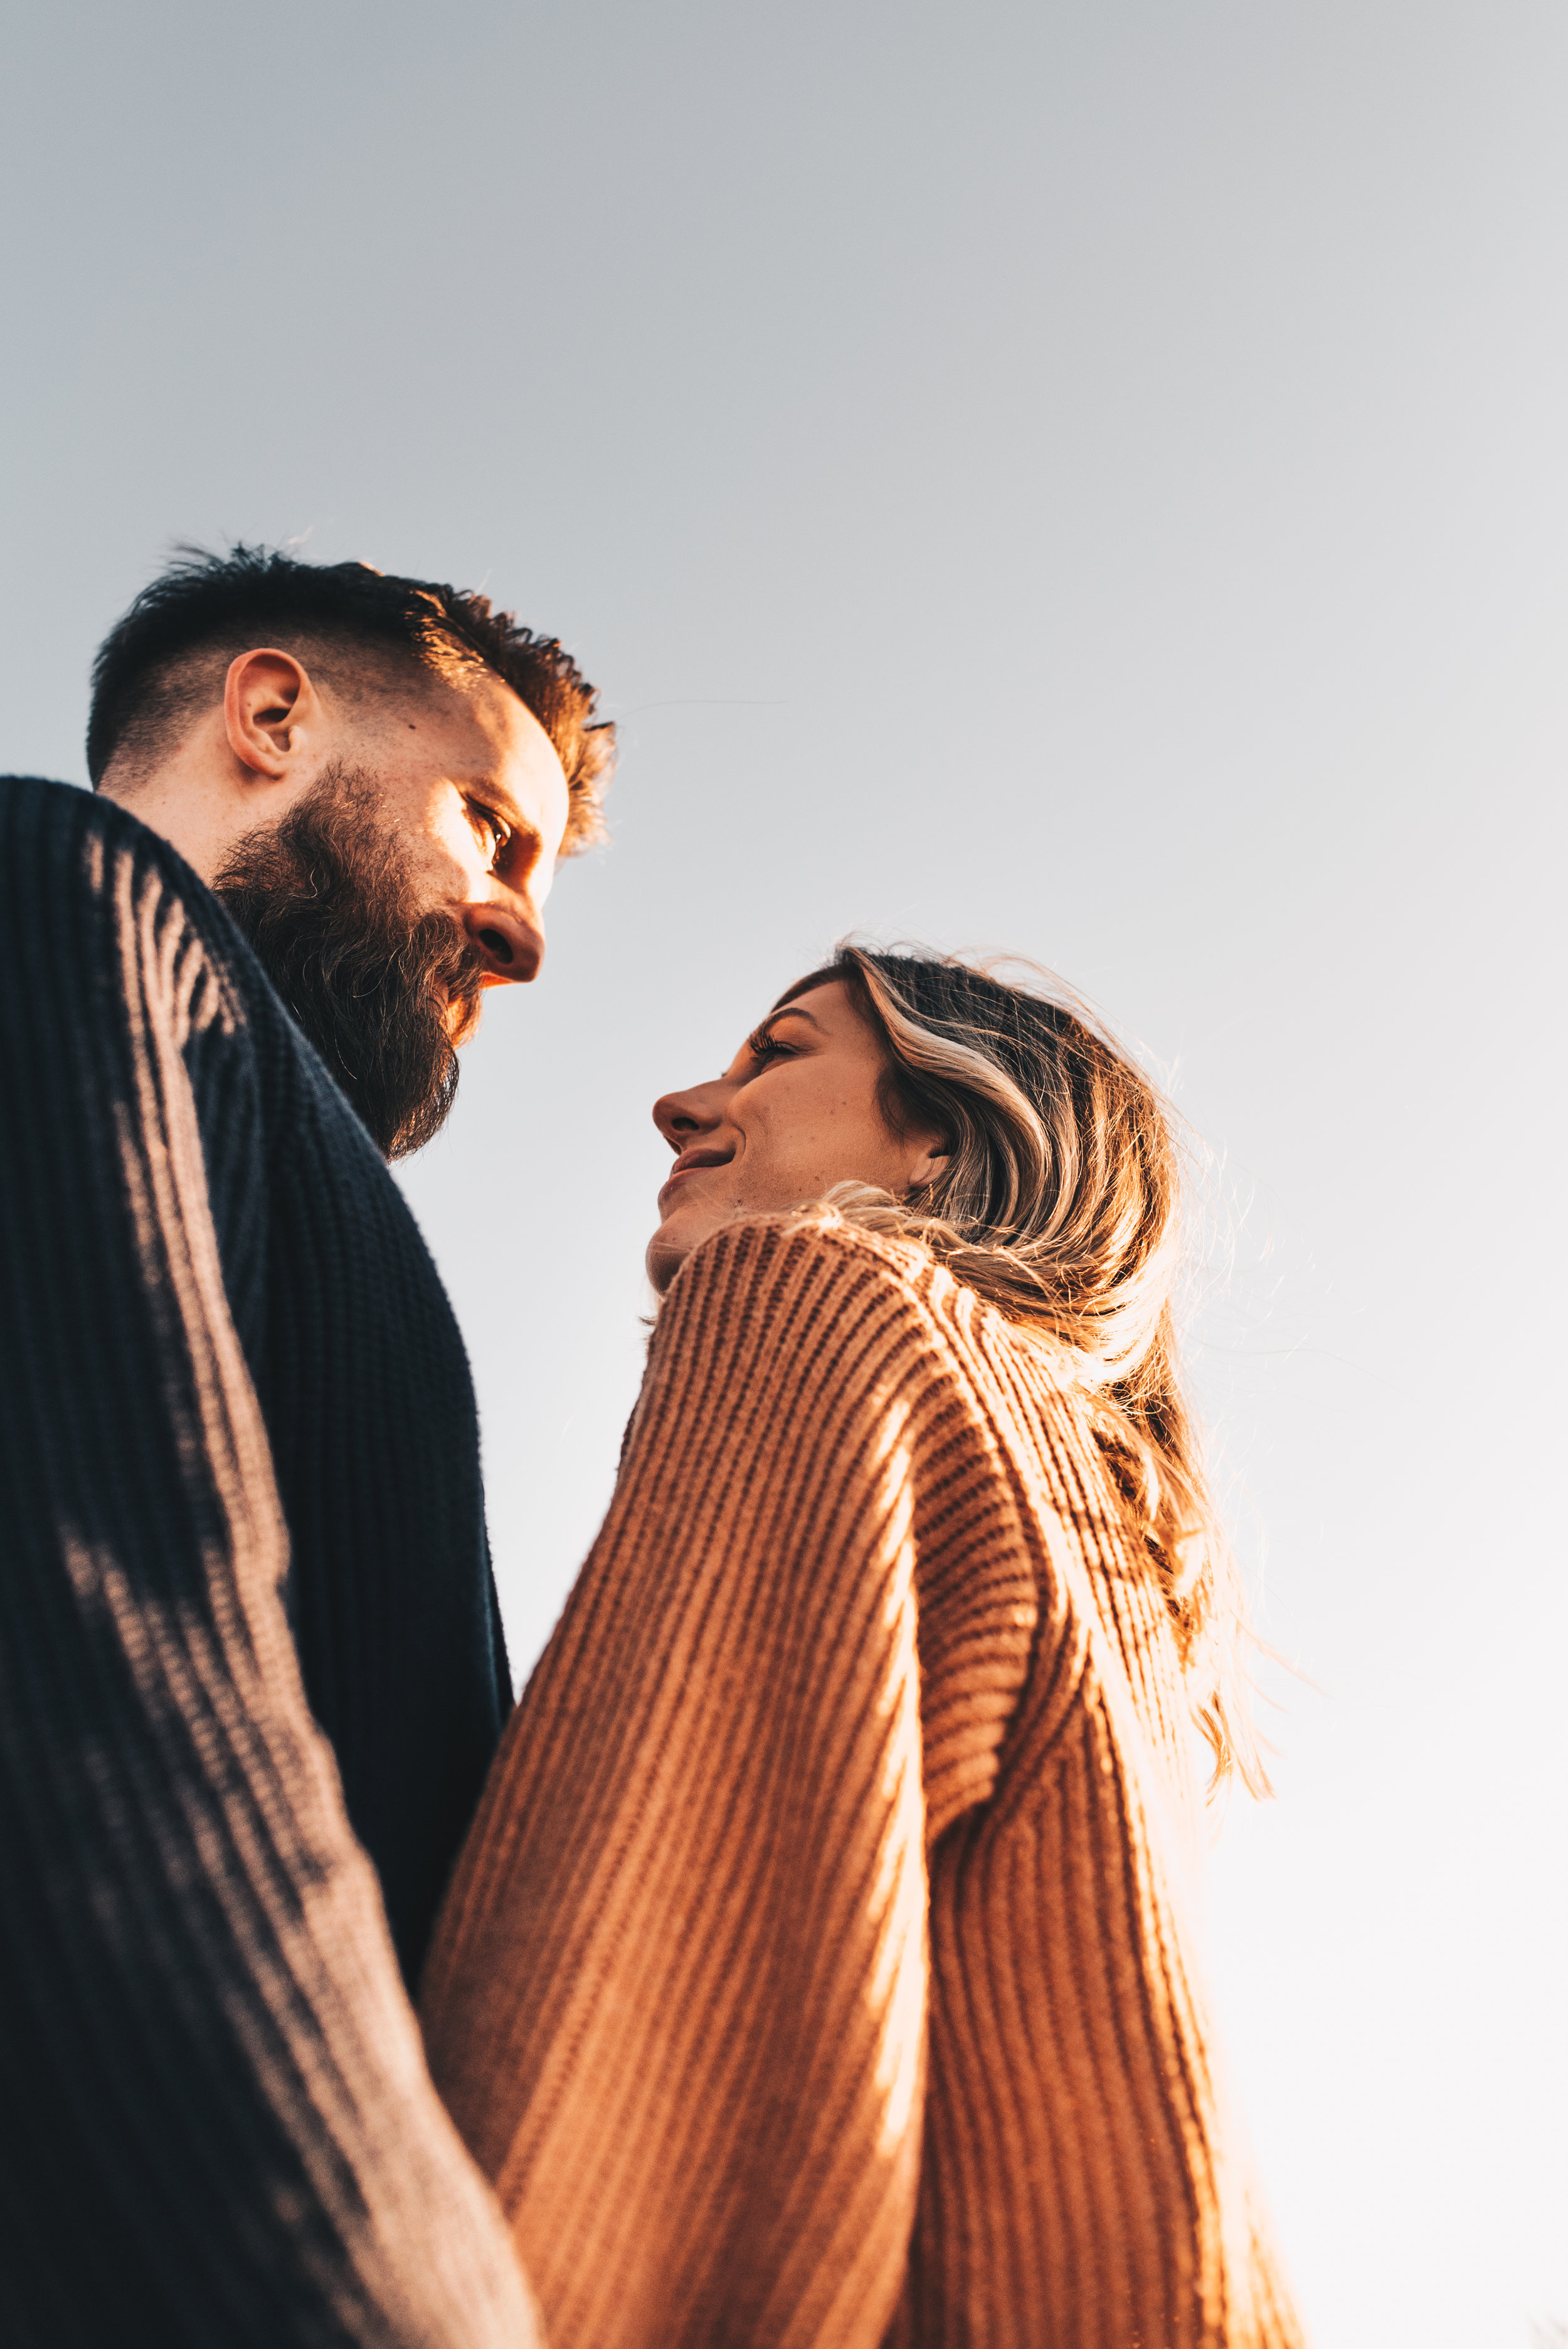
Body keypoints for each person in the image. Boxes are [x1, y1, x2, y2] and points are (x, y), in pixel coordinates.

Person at [420, 945, 1306, 2349]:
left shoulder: (809, 1307)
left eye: (772, 1052)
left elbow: (649, 2000)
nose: (681, 1102)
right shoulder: (1114, 1528)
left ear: (941, 1136)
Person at [0, 544, 613, 2346]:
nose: (524, 932)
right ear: (272, 715)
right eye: (491, 827)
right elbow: (93, 1645)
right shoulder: (68, 898)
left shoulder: (246, 1106)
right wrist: (386, 2292)